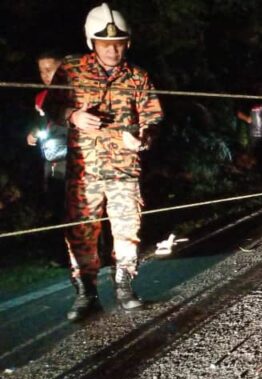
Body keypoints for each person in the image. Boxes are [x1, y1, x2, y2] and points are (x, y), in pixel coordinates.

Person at [44, 3, 163, 321]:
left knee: (127, 228)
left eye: (119, 43)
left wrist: (144, 138)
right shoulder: (71, 69)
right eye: (105, 43)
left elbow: (153, 118)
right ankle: (86, 294)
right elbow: (51, 105)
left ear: (128, 42)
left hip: (124, 168)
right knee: (81, 231)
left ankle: (124, 287)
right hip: (84, 170)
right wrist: (73, 116)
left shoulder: (138, 76)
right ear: (91, 42)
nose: (112, 49)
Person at [26, 52, 67, 201]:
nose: (45, 75)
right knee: (54, 193)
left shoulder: (75, 93)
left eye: (49, 70)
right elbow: (41, 122)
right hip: (52, 153)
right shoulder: (40, 97)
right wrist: (34, 132)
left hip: (74, 152)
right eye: (42, 71)